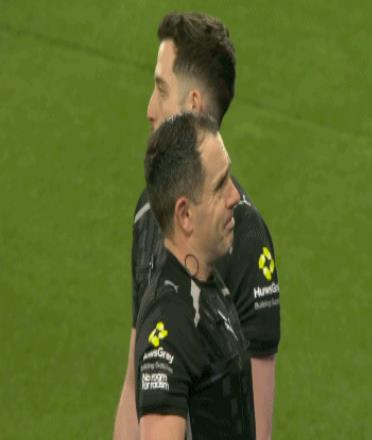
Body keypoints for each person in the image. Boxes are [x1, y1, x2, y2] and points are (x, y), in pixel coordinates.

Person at [113, 12, 280, 440]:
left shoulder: (246, 241)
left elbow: (254, 427)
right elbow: (134, 385)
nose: (150, 109)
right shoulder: (150, 212)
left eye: (161, 88)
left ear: (192, 106)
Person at [136, 112, 254, 439]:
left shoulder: (206, 284)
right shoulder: (170, 325)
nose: (235, 196)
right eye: (220, 185)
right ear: (185, 215)